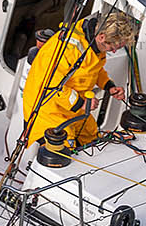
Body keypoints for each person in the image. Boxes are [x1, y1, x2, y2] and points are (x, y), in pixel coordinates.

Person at [21, 9, 139, 151]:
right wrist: (81, 103)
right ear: (101, 36)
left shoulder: (95, 46)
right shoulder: (67, 49)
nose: (113, 51)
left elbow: (94, 69)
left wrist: (109, 86)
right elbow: (52, 86)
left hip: (72, 106)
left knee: (90, 134)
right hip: (47, 108)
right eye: (113, 47)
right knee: (63, 148)